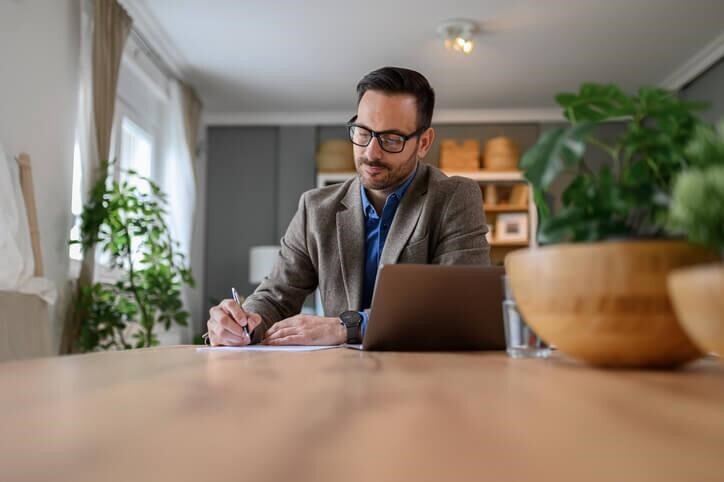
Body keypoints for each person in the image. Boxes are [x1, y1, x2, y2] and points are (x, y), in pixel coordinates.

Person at [206, 66, 490, 347]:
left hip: (423, 378)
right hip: (340, 379)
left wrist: (348, 327)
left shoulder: (454, 198)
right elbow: (275, 297)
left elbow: (459, 309)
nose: (371, 152)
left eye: (391, 139)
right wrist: (244, 323)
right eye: (363, 132)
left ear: (424, 142)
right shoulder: (315, 209)